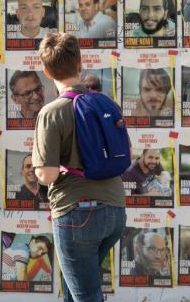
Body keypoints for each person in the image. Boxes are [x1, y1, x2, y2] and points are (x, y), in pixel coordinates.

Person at [32, 32, 126, 302]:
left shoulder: (52, 112)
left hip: (77, 215)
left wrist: (45, 170)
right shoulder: (105, 103)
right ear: (80, 64)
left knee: (86, 296)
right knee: (75, 292)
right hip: (115, 211)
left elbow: (47, 174)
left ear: (46, 71)